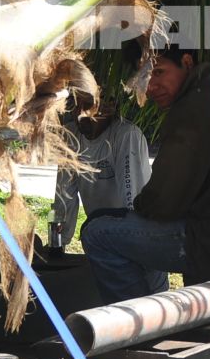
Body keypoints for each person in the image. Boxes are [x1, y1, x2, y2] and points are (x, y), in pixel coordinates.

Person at [80, 43, 210, 303]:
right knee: (120, 224)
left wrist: (138, 208)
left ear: (186, 62)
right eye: (144, 78)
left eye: (158, 73)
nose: (150, 87)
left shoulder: (194, 107)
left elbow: (162, 202)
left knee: (98, 232)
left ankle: (142, 327)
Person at [49, 92, 151, 251]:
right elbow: (63, 196)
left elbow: (132, 201)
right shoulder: (70, 136)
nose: (80, 114)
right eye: (77, 106)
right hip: (101, 236)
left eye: (88, 106)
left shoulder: (126, 135)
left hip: (134, 240)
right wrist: (57, 242)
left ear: (110, 106)